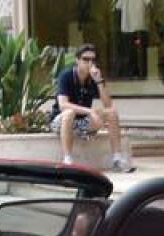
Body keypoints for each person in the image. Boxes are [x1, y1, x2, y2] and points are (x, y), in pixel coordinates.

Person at [51, 44, 135, 172]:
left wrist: (99, 81)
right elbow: (63, 105)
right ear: (77, 60)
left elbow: (108, 105)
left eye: (92, 60)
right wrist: (90, 111)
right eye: (85, 59)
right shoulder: (66, 76)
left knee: (111, 113)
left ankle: (117, 159)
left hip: (81, 123)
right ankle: (67, 160)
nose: (89, 63)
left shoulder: (93, 78)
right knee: (69, 112)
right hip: (61, 122)